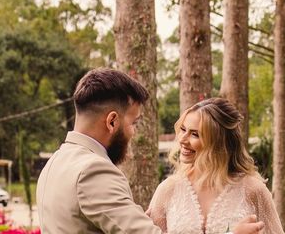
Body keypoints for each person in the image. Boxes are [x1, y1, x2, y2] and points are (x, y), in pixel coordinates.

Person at [36, 67, 265, 234]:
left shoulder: (54, 164)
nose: (134, 132)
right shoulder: (93, 171)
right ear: (112, 121)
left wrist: (132, 220)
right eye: (133, 123)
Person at [148, 97, 285, 234]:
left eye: (195, 134)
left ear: (218, 143)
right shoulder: (168, 190)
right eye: (183, 130)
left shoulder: (253, 190)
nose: (182, 139)